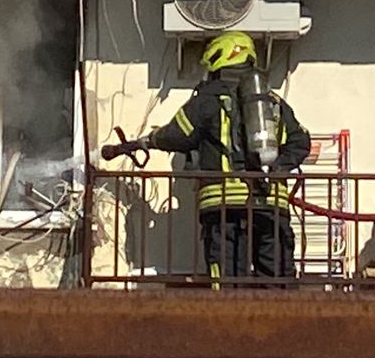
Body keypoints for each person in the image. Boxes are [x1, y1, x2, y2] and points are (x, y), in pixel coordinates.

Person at [102, 31, 311, 282]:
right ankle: (280, 309)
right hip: (271, 207)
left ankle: (229, 310)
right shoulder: (274, 102)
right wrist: (276, 169)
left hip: (224, 208)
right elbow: (301, 142)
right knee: (277, 281)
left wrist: (151, 140)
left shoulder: (207, 100)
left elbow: (177, 135)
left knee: (228, 283)